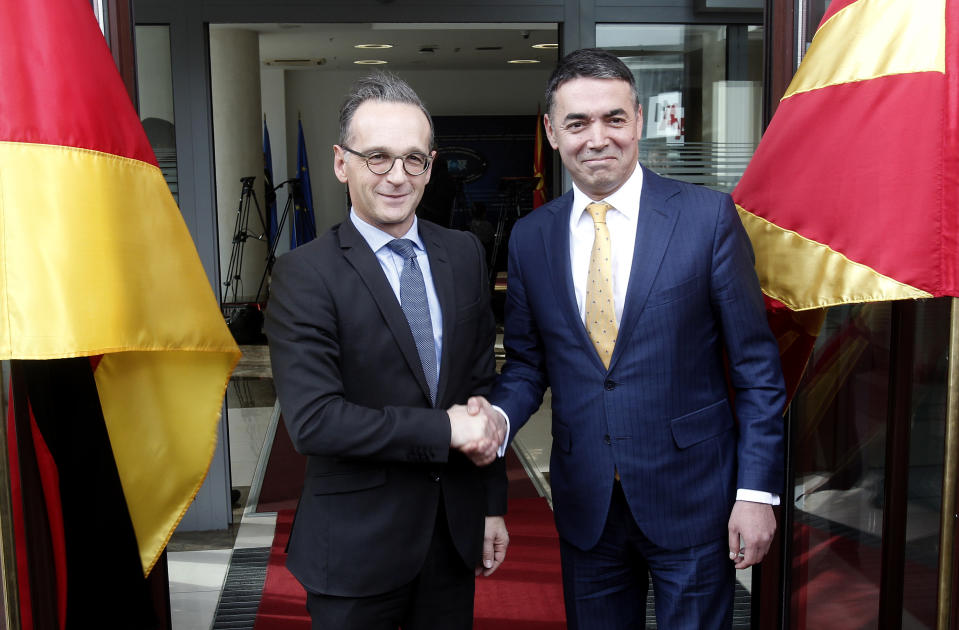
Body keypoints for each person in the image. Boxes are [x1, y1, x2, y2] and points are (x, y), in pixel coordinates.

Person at [472, 48, 786, 628]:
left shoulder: (707, 218)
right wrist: (496, 418)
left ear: (638, 120)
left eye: (613, 118)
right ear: (552, 130)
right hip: (586, 502)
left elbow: (757, 371)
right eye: (577, 122)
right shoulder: (530, 237)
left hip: (693, 498)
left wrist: (757, 493)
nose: (597, 138)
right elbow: (525, 366)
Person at [265, 71, 509, 630]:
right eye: (377, 157)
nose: (397, 177)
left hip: (451, 539)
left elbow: (480, 392)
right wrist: (443, 430)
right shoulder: (304, 274)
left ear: (430, 165)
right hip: (355, 551)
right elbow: (316, 422)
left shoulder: (465, 254)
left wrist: (492, 503)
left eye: (413, 159)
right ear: (340, 162)